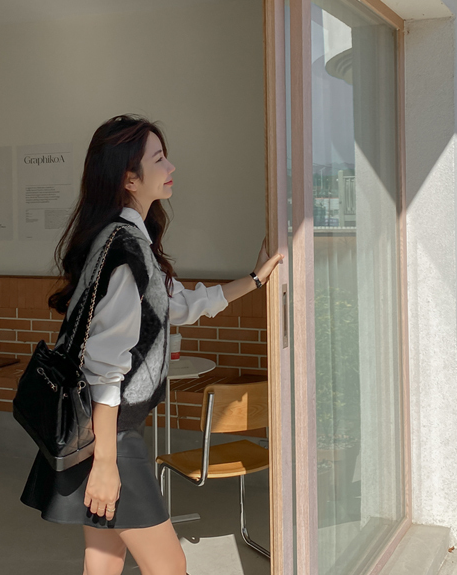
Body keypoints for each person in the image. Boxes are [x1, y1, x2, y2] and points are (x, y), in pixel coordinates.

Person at [20, 114, 282, 575]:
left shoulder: (121, 239)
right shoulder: (126, 252)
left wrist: (255, 279)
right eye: (159, 158)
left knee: (104, 558)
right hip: (110, 437)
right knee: (170, 565)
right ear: (129, 178)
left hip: (97, 433)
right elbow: (105, 369)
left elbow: (175, 305)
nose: (171, 166)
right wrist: (106, 463)